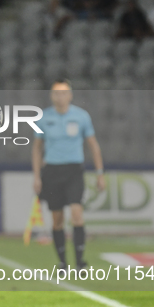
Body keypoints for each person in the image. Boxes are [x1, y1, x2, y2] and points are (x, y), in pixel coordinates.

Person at [32, 79, 105, 271]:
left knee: (76, 213)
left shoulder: (81, 117)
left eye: (64, 93)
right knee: (57, 219)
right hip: (52, 172)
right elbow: (37, 149)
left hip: (74, 171)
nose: (60, 96)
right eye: (56, 93)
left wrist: (100, 173)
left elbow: (93, 145)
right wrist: (37, 176)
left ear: (70, 95)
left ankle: (80, 262)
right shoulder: (43, 118)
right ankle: (63, 262)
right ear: (51, 95)